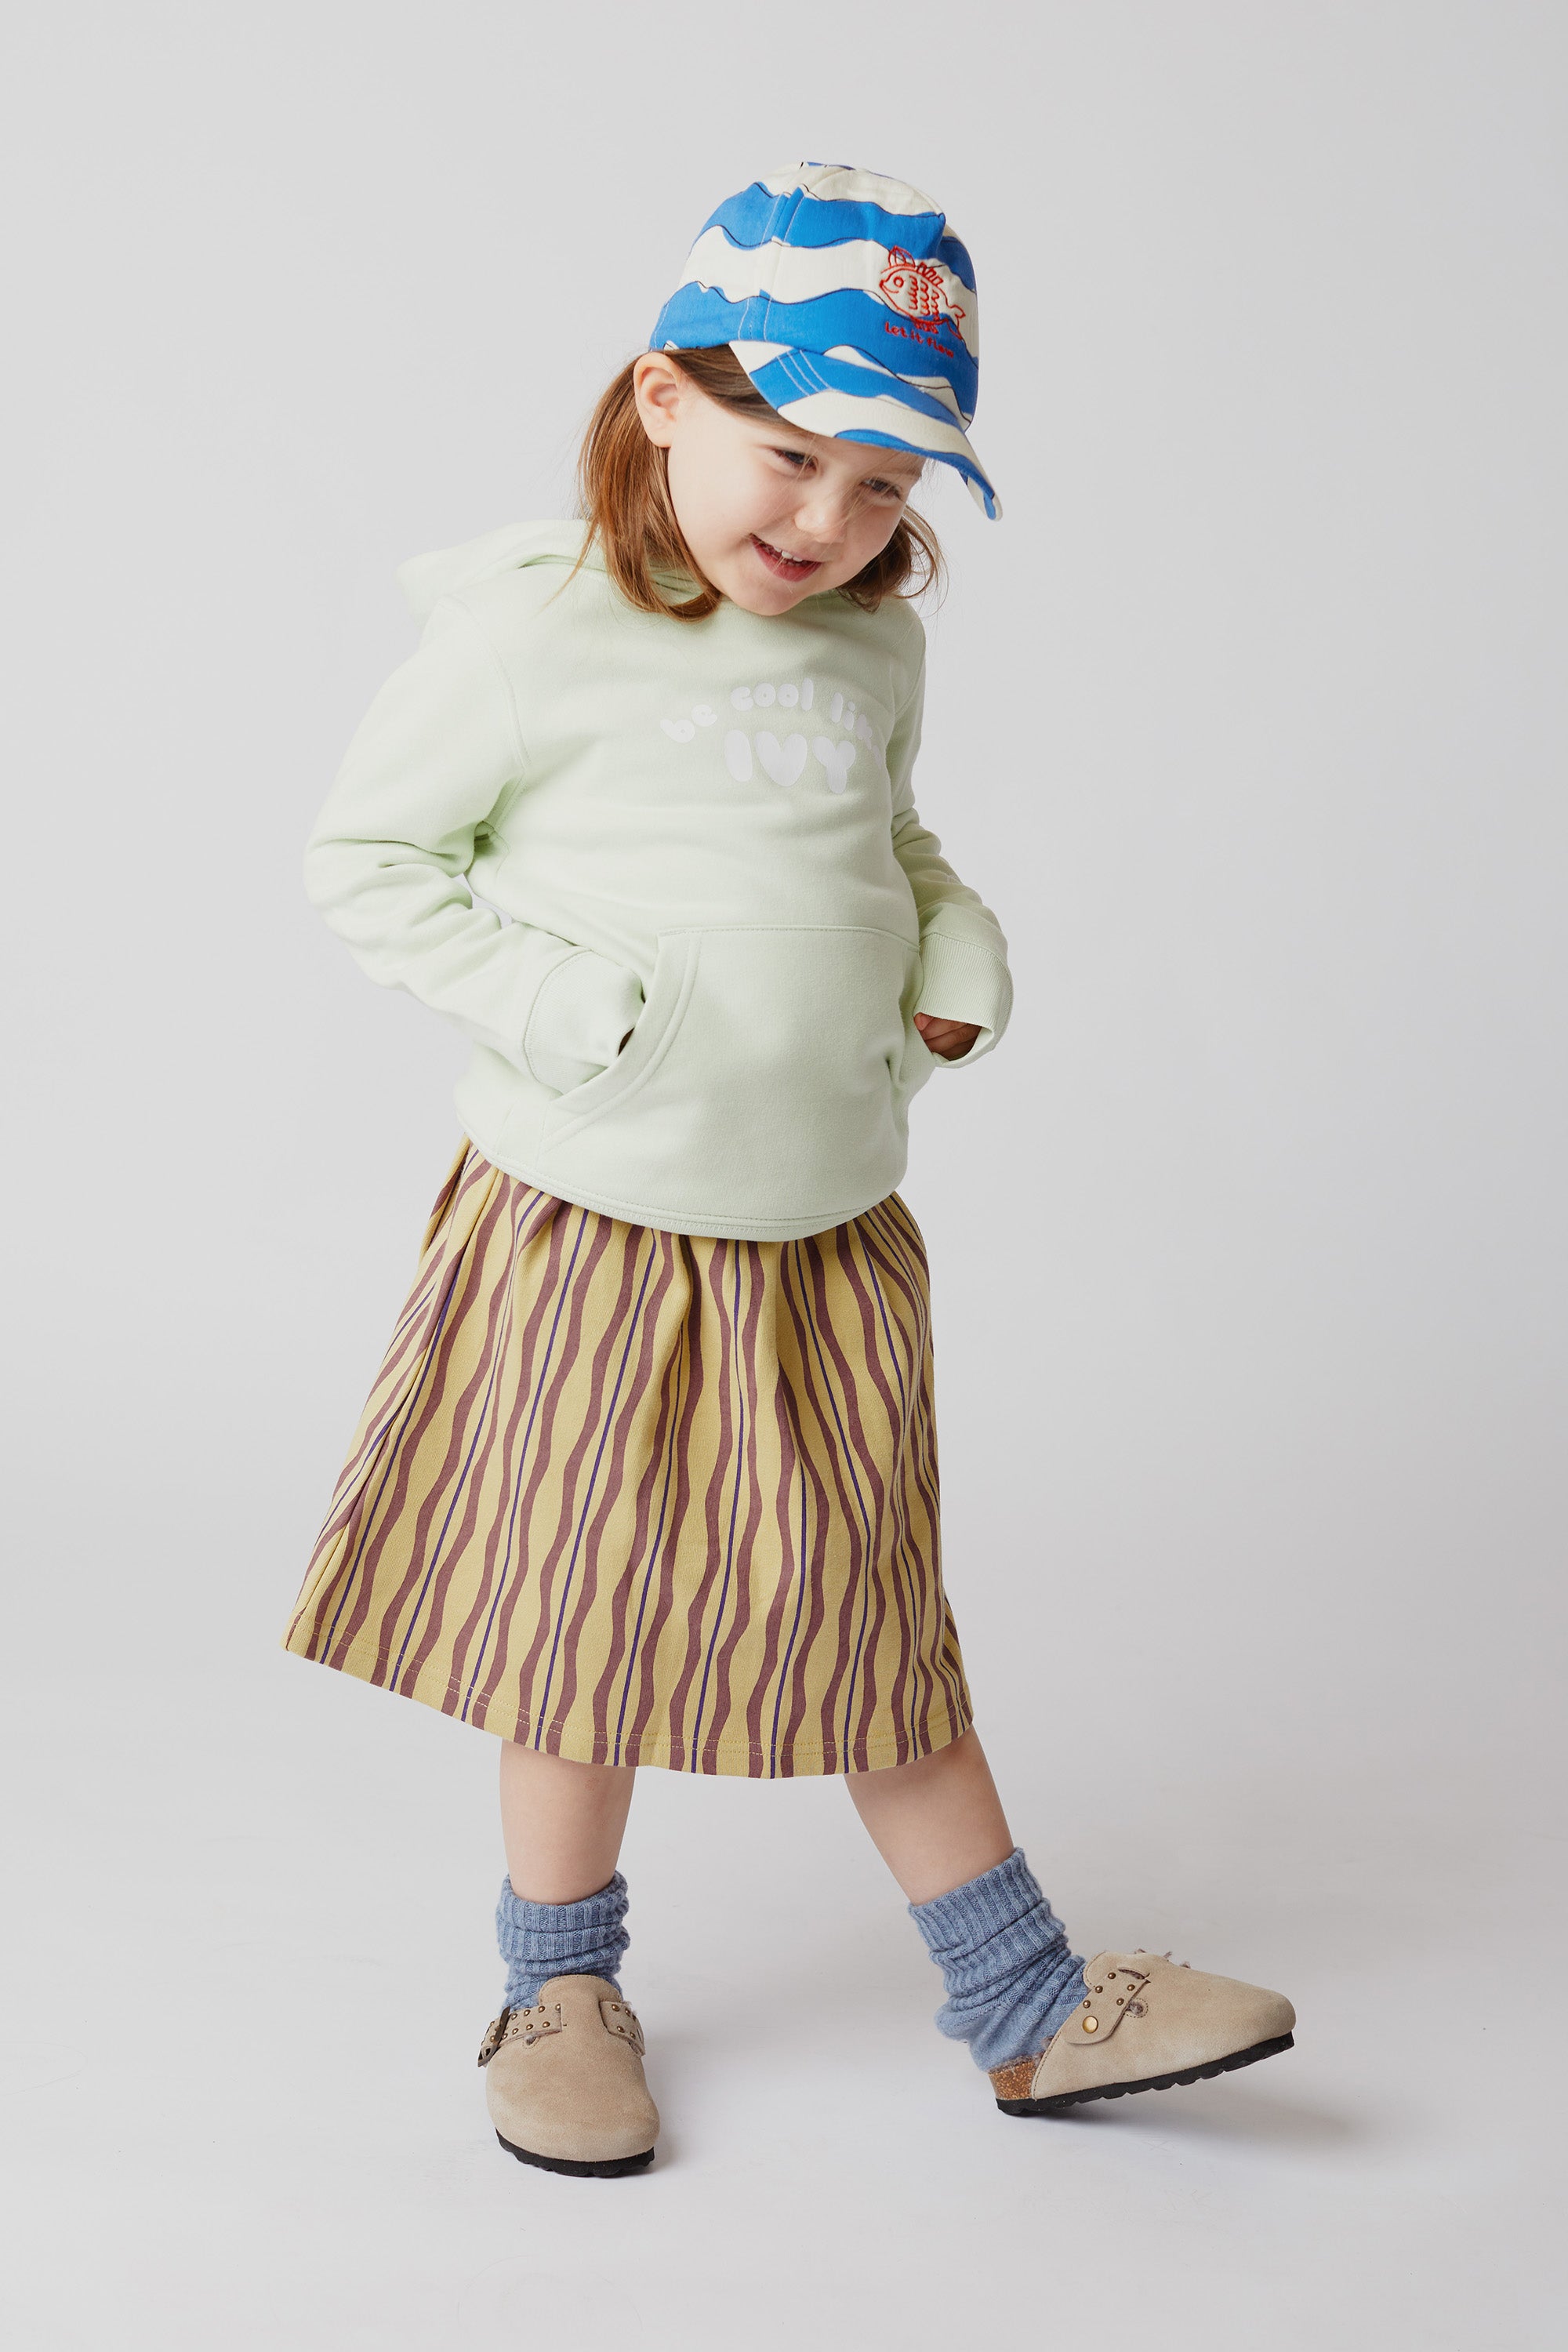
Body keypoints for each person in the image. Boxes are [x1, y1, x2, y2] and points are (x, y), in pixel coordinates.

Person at [283, 162, 1294, 2179]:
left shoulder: (864, 649)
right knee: (575, 1623)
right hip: (592, 1222)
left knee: (875, 1618)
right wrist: (578, 1012)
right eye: (792, 456)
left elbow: (893, 845)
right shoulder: (530, 637)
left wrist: (956, 955)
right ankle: (558, 1990)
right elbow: (368, 861)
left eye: (883, 489)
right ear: (662, 397)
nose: (829, 522)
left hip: (820, 1225)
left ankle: (1021, 2004)